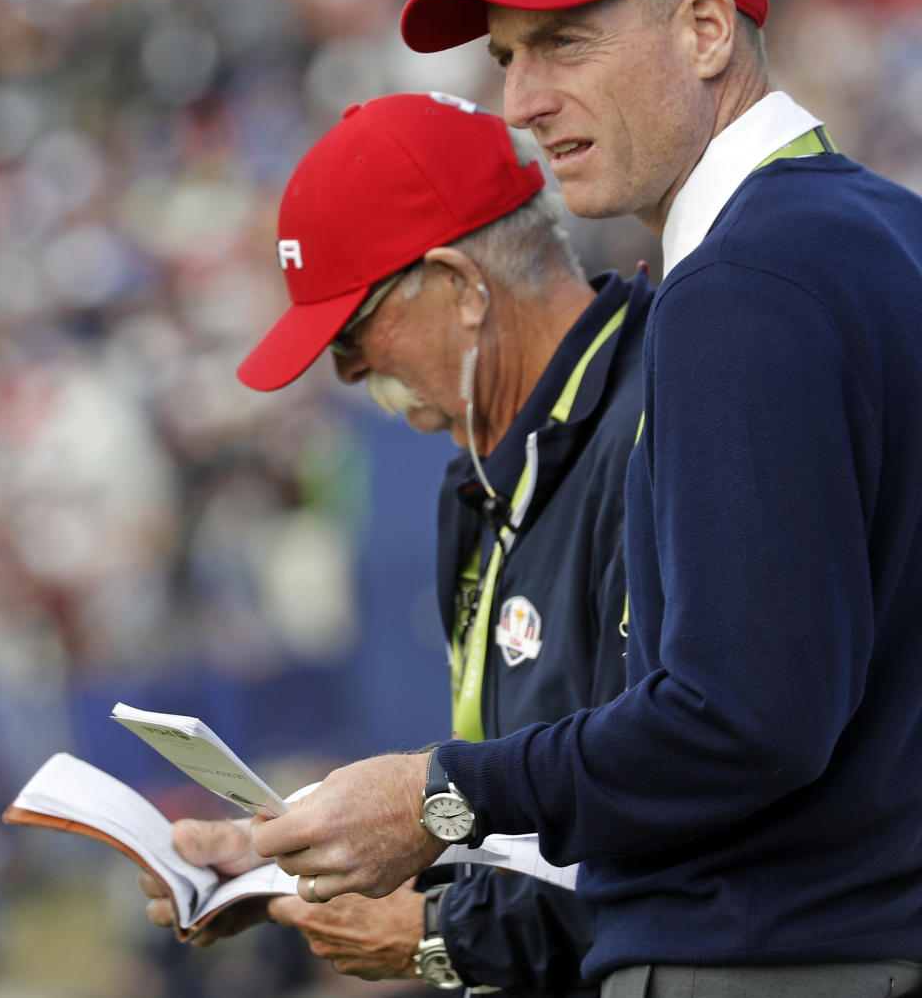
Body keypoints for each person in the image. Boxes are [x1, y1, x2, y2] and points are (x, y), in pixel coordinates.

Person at [246, 0, 922, 998]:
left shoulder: (743, 282)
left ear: (707, 29)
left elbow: (742, 719)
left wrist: (436, 793)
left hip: (774, 952)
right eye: (508, 57)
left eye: (565, 41)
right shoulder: (876, 231)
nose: (521, 100)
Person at [139, 90, 651, 997]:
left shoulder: (663, 418)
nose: (346, 371)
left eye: (352, 333)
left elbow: (678, 802)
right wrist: (288, 857)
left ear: (459, 288)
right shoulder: (482, 476)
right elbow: (533, 823)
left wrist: (442, 934)